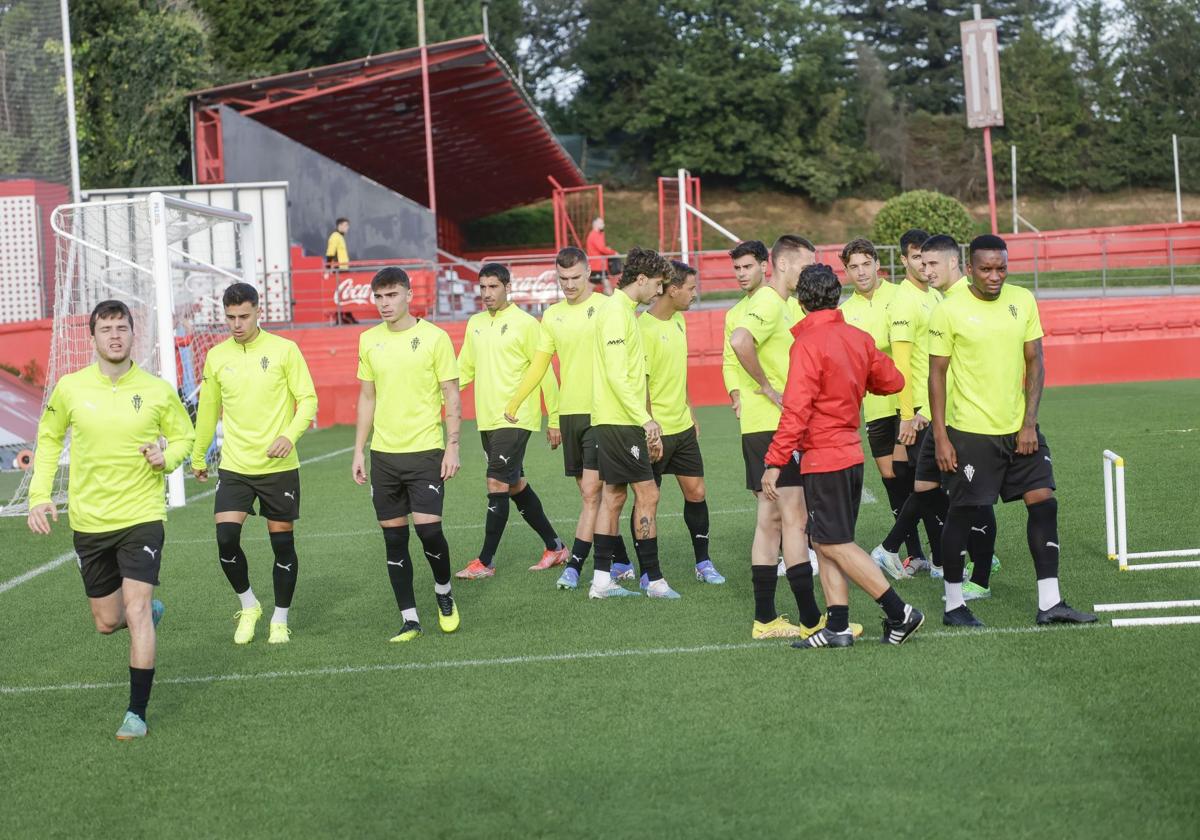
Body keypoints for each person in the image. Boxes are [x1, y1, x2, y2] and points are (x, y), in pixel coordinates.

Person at [27, 300, 194, 739]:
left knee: (136, 609)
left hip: (141, 515)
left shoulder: (157, 390)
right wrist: (39, 497)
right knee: (107, 622)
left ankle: (135, 713)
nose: (115, 335)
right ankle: (144, 615)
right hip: (90, 521)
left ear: (132, 334)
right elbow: (47, 441)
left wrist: (167, 456)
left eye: (122, 327)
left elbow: (184, 437)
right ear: (93, 337)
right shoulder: (70, 388)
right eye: (106, 329)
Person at [929, 235, 1096, 627]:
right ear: (969, 269)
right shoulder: (949, 311)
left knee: (1044, 501)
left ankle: (1050, 603)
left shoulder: (1022, 300)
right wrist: (940, 436)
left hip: (1020, 431)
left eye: (1001, 268)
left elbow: (1035, 361)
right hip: (970, 433)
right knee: (963, 512)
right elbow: (936, 375)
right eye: (986, 269)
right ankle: (954, 605)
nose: (994, 276)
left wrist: (1029, 423)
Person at [762, 264, 925, 649]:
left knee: (833, 542)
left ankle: (900, 612)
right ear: (837, 296)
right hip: (850, 455)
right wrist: (856, 375)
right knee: (827, 539)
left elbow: (796, 410)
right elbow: (894, 381)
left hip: (824, 457)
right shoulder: (858, 337)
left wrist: (774, 461)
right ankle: (837, 627)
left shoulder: (806, 344)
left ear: (801, 302)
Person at [191, 283, 318, 645]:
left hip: (278, 468)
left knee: (282, 546)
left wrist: (288, 436)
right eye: (230, 317)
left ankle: (280, 618)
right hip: (235, 467)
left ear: (258, 311)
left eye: (243, 316)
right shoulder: (216, 357)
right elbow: (208, 411)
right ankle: (249, 605)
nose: (236, 324)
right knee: (226, 538)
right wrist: (199, 456)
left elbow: (307, 400)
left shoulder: (284, 350)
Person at [872, 234, 1000, 592]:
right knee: (928, 486)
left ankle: (979, 570)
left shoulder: (958, 301)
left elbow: (960, 367)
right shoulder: (931, 300)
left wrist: (922, 414)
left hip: (962, 417)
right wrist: (913, 414)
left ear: (953, 263)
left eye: (930, 263)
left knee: (970, 493)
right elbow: (923, 367)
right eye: (919, 262)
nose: (924, 270)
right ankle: (893, 549)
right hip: (935, 415)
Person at [502, 247, 635, 590]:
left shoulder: (608, 307)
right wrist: (518, 401)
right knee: (589, 495)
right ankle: (619, 559)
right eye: (563, 279)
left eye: (576, 277)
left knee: (593, 492)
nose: (570, 284)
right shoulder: (551, 315)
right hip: (570, 414)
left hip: (601, 412)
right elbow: (540, 364)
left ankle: (577, 566)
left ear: (589, 272)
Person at [729, 236, 839, 640]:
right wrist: (769, 387)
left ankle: (766, 620)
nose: (810, 272)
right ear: (786, 265)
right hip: (772, 426)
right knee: (794, 520)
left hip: (763, 427)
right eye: (807, 265)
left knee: (770, 522)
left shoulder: (781, 304)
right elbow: (740, 341)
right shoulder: (768, 302)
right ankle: (811, 620)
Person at [352, 268, 462, 641]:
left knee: (430, 533)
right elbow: (367, 397)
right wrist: (358, 452)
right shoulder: (368, 340)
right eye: (379, 297)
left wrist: (453, 444)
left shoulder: (434, 338)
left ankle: (444, 592)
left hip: (426, 451)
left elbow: (451, 393)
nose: (385, 304)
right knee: (394, 540)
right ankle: (410, 618)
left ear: (409, 295)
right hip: (384, 456)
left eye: (392, 295)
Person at [456, 263, 568, 579]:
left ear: (507, 287)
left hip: (518, 418)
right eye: (482, 287)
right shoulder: (475, 323)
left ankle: (485, 562)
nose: (487, 294)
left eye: (493, 287)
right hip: (487, 420)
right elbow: (464, 369)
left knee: (496, 482)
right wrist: (435, 397)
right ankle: (555, 546)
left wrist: (555, 418)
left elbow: (544, 370)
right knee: (515, 484)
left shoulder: (526, 324)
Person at [588, 247, 680, 599]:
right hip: (619, 421)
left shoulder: (622, 311)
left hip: (615, 418)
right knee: (648, 492)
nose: (659, 292)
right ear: (641, 280)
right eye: (657, 284)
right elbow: (616, 374)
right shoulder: (616, 313)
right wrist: (644, 418)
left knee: (613, 497)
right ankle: (653, 580)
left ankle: (600, 582)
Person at [636, 260, 725, 586]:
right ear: (672, 290)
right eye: (690, 288)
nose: (694, 294)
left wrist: (690, 411)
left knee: (697, 492)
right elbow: (640, 384)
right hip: (655, 432)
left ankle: (703, 564)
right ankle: (648, 572)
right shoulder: (641, 330)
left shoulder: (678, 323)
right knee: (647, 500)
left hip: (682, 428)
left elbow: (678, 374)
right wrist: (650, 428)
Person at [837, 237, 921, 578]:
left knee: (915, 477)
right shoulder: (844, 311)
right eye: (853, 267)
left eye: (865, 264)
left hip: (906, 401)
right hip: (874, 406)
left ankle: (941, 551)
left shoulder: (900, 296)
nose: (860, 272)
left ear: (877, 265)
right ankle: (915, 555)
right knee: (890, 479)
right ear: (846, 272)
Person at [585, 216, 619, 286]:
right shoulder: (595, 235)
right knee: (592, 285)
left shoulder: (595, 234)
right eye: (601, 223)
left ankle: (609, 297)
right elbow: (602, 248)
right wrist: (613, 252)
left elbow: (601, 248)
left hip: (599, 265)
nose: (603, 225)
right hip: (597, 265)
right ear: (595, 224)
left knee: (605, 283)